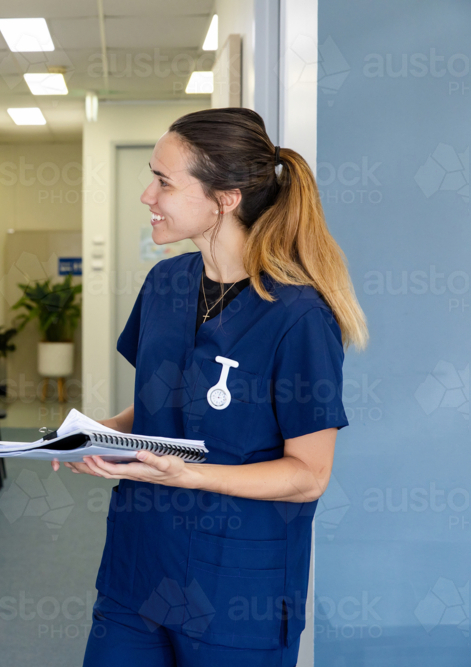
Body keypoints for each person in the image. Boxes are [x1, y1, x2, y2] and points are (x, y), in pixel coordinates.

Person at [53, 107, 368, 667]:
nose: (148, 196)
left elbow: (308, 475)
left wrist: (188, 474)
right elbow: (158, 410)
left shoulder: (297, 315)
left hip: (236, 588)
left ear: (223, 198)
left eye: (164, 182)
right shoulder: (164, 284)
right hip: (138, 569)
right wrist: (98, 434)